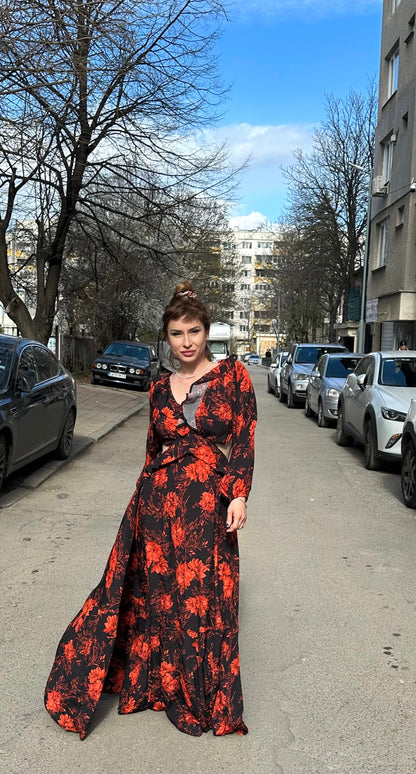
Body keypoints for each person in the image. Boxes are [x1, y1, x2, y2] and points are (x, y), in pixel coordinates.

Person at [44, 281, 257, 740]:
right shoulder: (159, 387)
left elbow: (243, 439)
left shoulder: (233, 376)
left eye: (194, 331)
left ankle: (196, 694)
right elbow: (151, 451)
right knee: (155, 596)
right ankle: (158, 685)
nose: (187, 342)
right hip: (157, 504)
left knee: (201, 599)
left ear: (206, 332)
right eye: (178, 334)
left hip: (206, 507)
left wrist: (238, 493)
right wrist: (138, 509)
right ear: (167, 337)